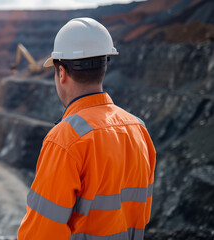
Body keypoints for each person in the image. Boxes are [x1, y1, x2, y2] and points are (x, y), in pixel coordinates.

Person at [17, 17, 156, 240]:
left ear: (61, 73)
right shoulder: (138, 130)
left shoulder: (65, 139)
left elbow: (40, 233)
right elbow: (140, 215)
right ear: (104, 66)